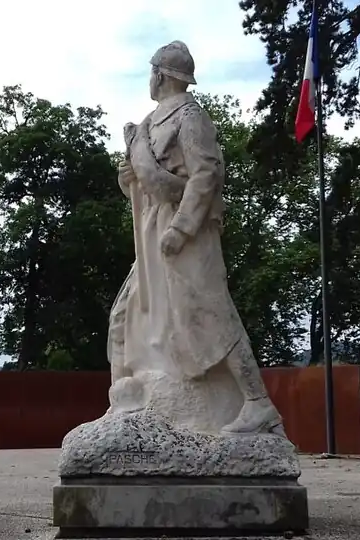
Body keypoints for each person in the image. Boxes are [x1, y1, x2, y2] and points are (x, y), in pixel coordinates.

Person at [108, 40, 283, 436]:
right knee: (126, 313)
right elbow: (143, 184)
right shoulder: (149, 123)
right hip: (154, 228)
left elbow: (206, 174)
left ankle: (258, 403)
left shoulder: (191, 117)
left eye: (153, 70)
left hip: (185, 231)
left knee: (211, 312)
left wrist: (183, 226)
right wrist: (128, 180)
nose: (150, 78)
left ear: (162, 75)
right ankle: (127, 402)